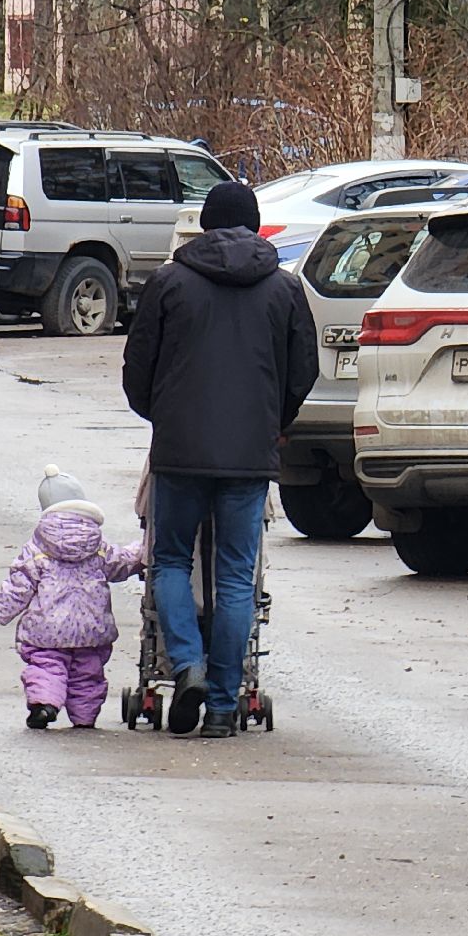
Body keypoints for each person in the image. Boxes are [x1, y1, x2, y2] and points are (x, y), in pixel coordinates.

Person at [123, 182, 317, 738]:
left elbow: (138, 367)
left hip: (180, 450)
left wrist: (162, 415)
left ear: (204, 224)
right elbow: (303, 370)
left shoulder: (169, 282)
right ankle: (225, 706)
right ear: (255, 225)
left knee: (169, 561)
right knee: (235, 575)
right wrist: (274, 421)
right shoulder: (284, 288)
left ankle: (188, 665)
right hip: (250, 453)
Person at [0, 465, 145, 729]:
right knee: (88, 672)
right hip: (91, 627)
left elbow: (20, 584)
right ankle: (85, 716)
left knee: (47, 665)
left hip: (47, 628)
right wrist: (143, 551)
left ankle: (44, 705)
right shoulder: (98, 546)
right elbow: (121, 563)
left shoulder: (37, 549)